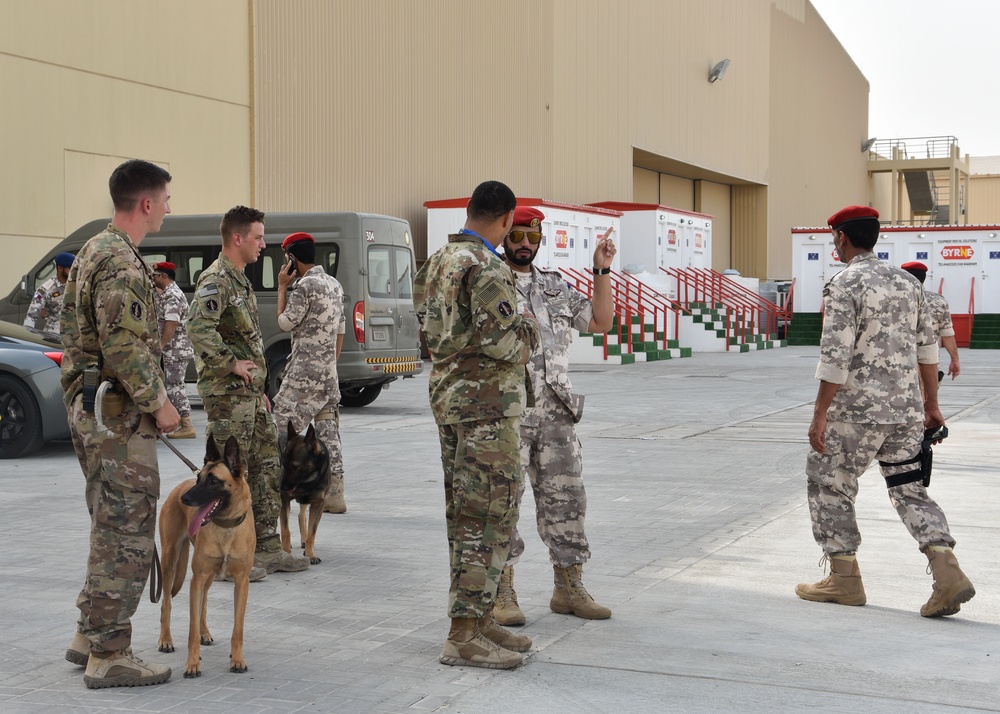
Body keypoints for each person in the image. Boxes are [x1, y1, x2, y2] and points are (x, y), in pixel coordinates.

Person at [796, 205, 975, 617]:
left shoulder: (844, 283)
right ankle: (947, 572)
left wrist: (820, 413)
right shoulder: (908, 284)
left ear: (841, 237)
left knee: (830, 484)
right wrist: (931, 406)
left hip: (854, 413)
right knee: (909, 488)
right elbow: (927, 351)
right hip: (906, 411)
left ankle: (844, 580)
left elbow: (835, 356)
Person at [60, 158, 179, 688]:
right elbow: (123, 346)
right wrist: (160, 403)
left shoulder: (92, 249)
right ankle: (109, 654)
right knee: (127, 531)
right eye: (167, 200)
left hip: (94, 411)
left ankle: (89, 633)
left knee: (108, 522)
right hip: (117, 418)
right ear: (147, 204)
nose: (169, 209)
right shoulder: (122, 263)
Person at [414, 180, 540, 669]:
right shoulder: (485, 267)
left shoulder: (439, 262)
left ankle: (481, 617)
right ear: (507, 219)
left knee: (466, 512)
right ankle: (463, 634)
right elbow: (506, 343)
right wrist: (527, 328)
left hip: (452, 399)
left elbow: (429, 327)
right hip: (486, 408)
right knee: (486, 516)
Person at [493, 207, 615, 627]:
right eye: (518, 235)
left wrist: (601, 271)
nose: (524, 243)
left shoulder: (555, 288)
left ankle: (569, 586)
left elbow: (600, 321)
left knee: (567, 501)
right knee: (503, 501)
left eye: (533, 236)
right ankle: (501, 590)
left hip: (557, 414)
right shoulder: (490, 284)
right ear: (506, 235)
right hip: (507, 413)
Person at [187, 205, 309, 576]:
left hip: (250, 396)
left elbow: (246, 340)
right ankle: (222, 559)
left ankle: (266, 546)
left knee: (265, 467)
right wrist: (231, 364)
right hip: (227, 397)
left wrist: (259, 388)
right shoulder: (217, 280)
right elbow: (198, 327)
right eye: (258, 237)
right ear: (237, 238)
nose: (264, 243)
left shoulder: (239, 279)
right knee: (225, 477)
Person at [272, 231, 348, 514]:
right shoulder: (334, 285)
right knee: (328, 433)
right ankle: (335, 495)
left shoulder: (304, 286)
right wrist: (329, 365)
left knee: (280, 426)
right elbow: (341, 330)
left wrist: (282, 287)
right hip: (328, 375)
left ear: (292, 258)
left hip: (303, 376)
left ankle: (274, 489)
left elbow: (284, 323)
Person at [152, 261, 196, 439]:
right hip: (174, 349)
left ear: (163, 276)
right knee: (170, 385)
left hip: (175, 350)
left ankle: (187, 425)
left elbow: (170, 325)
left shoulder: (172, 296)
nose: (153, 279)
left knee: (174, 386)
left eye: (155, 276)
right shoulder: (168, 294)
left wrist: (160, 347)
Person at [901, 260, 960, 382]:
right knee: (931, 400)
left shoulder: (894, 299)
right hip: (929, 364)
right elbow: (947, 335)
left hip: (899, 365)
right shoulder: (939, 301)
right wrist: (955, 360)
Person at [24, 251, 74, 333]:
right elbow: (31, 316)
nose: (73, 272)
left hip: (74, 339)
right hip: (54, 337)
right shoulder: (45, 289)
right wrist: (27, 336)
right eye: (70, 268)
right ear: (60, 268)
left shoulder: (78, 284)